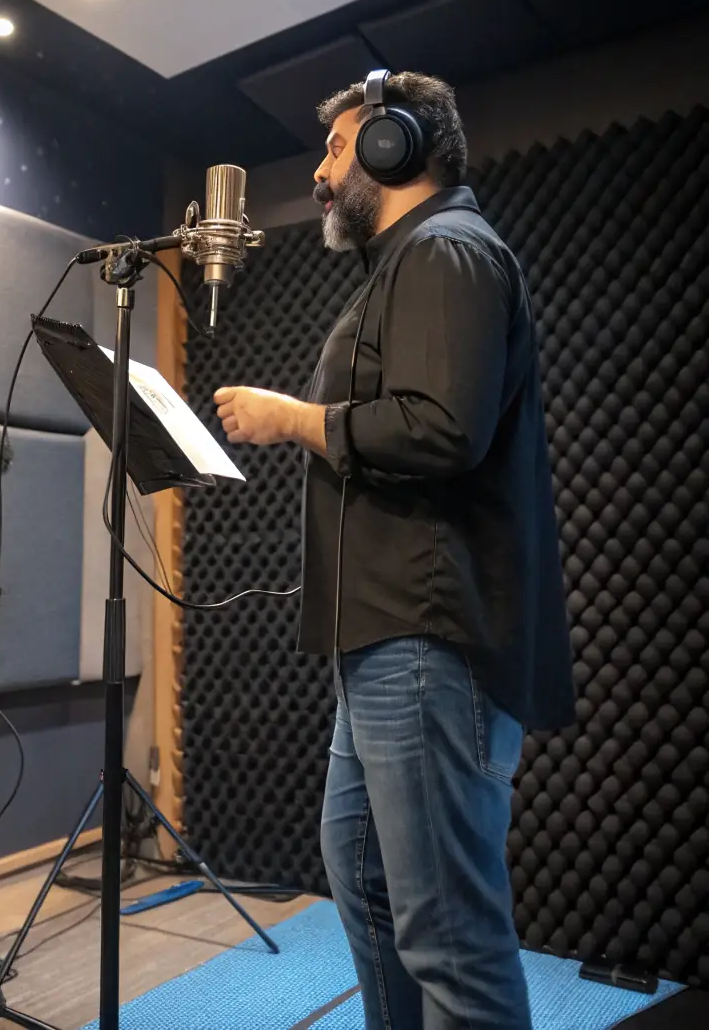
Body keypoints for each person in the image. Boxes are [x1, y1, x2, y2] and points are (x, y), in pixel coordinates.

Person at [214, 71, 575, 1030]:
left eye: (337, 149)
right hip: (385, 645)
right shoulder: (410, 263)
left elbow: (440, 428)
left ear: (392, 145)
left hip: (428, 638)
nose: (325, 176)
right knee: (368, 882)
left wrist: (295, 420)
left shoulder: (450, 253)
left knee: (450, 935)